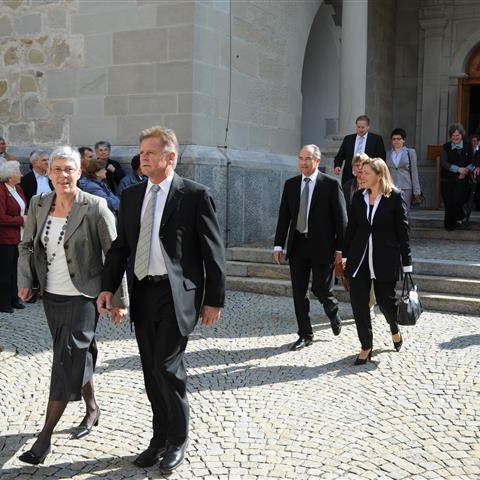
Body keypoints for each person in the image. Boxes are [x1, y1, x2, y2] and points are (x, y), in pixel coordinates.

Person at [97, 126, 226, 473]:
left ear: (171, 157)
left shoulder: (195, 195)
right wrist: (109, 288)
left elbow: (213, 252)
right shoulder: (131, 197)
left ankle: (178, 439)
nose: (143, 158)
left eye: (151, 152)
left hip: (176, 295)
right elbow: (120, 247)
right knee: (150, 372)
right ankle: (158, 438)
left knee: (166, 367)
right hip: (143, 292)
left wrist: (214, 299)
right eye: (141, 152)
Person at [17, 145, 128, 465]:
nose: (63, 175)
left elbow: (114, 254)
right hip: (52, 296)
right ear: (47, 173)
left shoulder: (96, 206)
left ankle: (44, 438)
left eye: (70, 169)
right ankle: (93, 407)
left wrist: (118, 299)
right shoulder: (38, 204)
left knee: (65, 360)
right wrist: (26, 280)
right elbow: (26, 246)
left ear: (79, 172)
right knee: (77, 354)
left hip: (85, 297)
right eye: (57, 169)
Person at [273, 144, 347, 351]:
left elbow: (341, 220)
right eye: (300, 158)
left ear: (317, 161)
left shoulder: (331, 185)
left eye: (308, 159)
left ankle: (332, 309)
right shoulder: (291, 185)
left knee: (321, 288)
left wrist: (341, 250)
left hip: (323, 246)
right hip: (298, 245)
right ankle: (305, 334)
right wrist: (278, 245)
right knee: (299, 292)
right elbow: (284, 217)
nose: (303, 163)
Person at [343, 157, 412, 365]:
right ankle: (366, 345)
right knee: (359, 303)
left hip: (385, 259)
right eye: (360, 172)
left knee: (386, 303)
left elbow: (403, 233)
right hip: (359, 259)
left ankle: (394, 327)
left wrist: (407, 263)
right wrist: (345, 256)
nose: (360, 176)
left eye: (365, 172)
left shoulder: (395, 197)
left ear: (379, 175)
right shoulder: (357, 197)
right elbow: (351, 229)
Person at [0, 161, 27, 313]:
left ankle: (13, 299)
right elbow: (1, 217)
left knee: (14, 270)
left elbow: (22, 208)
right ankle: (3, 303)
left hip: (18, 236)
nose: (21, 174)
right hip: (4, 238)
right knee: (4, 271)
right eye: (18, 172)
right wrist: (22, 220)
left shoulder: (18, 189)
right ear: (10, 175)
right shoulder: (1, 191)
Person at [440, 123, 474, 231]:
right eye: (453, 135)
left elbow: (472, 161)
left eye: (457, 135)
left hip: (463, 179)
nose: (455, 137)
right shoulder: (446, 147)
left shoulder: (468, 146)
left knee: (459, 200)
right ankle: (450, 225)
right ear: (450, 136)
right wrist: (458, 169)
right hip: (448, 179)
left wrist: (465, 171)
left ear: (461, 135)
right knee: (449, 202)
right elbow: (444, 163)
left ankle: (457, 219)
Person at [334, 115, 385, 186]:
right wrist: (337, 166)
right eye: (358, 127)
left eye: (363, 127)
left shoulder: (376, 139)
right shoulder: (348, 139)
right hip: (349, 177)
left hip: (368, 177)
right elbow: (339, 156)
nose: (360, 129)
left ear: (368, 127)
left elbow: (381, 159)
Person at [385, 128, 422, 215]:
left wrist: (417, 191)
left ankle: (405, 229)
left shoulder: (410, 152)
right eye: (394, 139)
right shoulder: (387, 153)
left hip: (406, 187)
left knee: (404, 212)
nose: (396, 141)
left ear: (403, 140)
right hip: (391, 187)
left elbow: (414, 172)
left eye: (399, 139)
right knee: (391, 212)